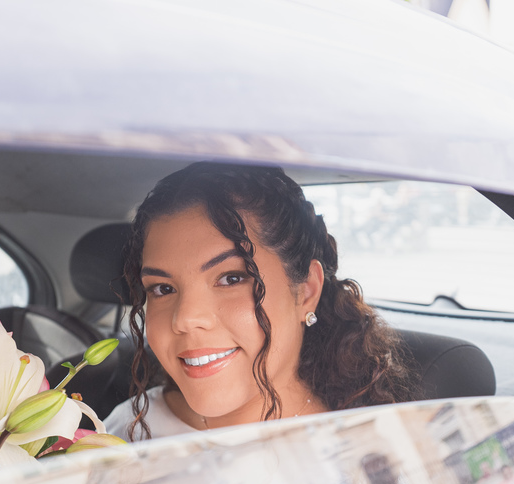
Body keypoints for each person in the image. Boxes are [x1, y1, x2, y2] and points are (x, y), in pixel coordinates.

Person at [102, 162, 416, 441]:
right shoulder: (127, 427)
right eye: (162, 288)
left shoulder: (364, 464)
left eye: (231, 279)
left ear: (307, 291)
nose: (185, 318)